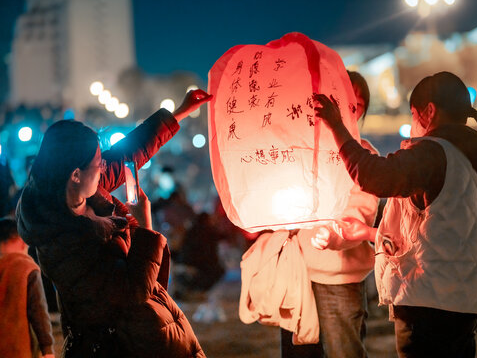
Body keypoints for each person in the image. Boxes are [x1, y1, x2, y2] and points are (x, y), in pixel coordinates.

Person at [314, 71, 477, 358]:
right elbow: (432, 234)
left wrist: (336, 125)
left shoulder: (431, 153)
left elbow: (373, 176)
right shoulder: (470, 159)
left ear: (429, 111)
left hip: (429, 304)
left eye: (414, 113)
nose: (414, 122)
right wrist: (367, 233)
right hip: (463, 300)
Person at [16, 89, 212, 357]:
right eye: (98, 163)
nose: (104, 168)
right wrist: (144, 228)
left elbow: (125, 154)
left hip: (145, 332)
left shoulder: (85, 191)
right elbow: (131, 293)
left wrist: (178, 112)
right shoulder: (61, 244)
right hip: (119, 347)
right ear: (75, 174)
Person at [241, 71, 379, 358]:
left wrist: (332, 236)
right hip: (296, 270)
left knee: (344, 352)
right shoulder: (300, 148)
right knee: (297, 353)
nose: (353, 106)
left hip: (338, 278)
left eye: (360, 102)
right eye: (345, 98)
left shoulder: (364, 154)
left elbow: (360, 212)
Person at [0, 217, 55, 358]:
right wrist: (47, 349)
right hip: (18, 349)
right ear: (20, 240)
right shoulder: (26, 268)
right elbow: (38, 312)